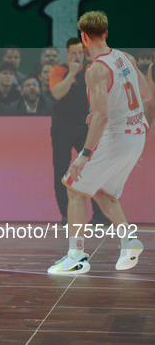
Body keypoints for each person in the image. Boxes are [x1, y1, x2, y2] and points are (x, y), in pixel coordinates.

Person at [48, 11, 151, 275]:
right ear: (106, 33)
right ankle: (129, 241)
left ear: (83, 37)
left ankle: (76, 256)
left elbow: (103, 117)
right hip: (136, 134)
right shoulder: (125, 57)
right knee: (99, 191)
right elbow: (146, 95)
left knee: (73, 187)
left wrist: (84, 154)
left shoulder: (95, 70)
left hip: (116, 137)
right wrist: (138, 138)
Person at [49, 37, 108, 226]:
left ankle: (99, 215)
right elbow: (57, 93)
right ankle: (67, 215)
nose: (77, 56)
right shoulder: (58, 70)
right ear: (67, 53)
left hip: (85, 124)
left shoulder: (92, 70)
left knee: (92, 166)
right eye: (73, 52)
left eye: (80, 52)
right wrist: (71, 74)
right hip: (62, 125)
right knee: (61, 167)